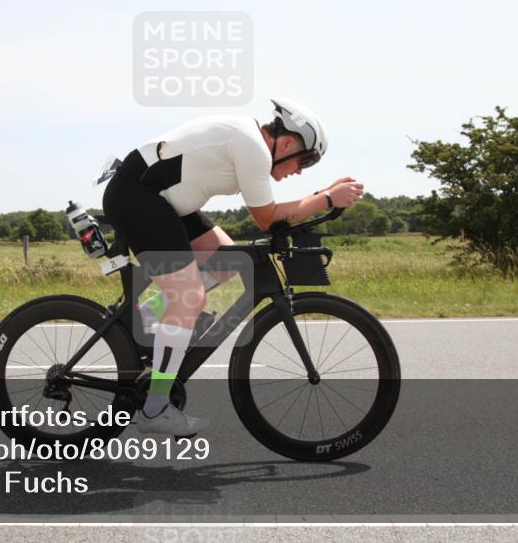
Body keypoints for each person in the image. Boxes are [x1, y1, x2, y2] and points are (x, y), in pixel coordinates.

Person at [101, 100, 364, 436]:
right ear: (286, 144)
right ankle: (154, 409)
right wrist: (326, 199)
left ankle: (152, 319)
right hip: (139, 197)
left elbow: (272, 213)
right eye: (304, 160)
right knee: (188, 298)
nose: (299, 171)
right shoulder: (253, 147)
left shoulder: (249, 140)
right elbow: (267, 218)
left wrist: (323, 193)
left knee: (228, 259)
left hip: (160, 199)